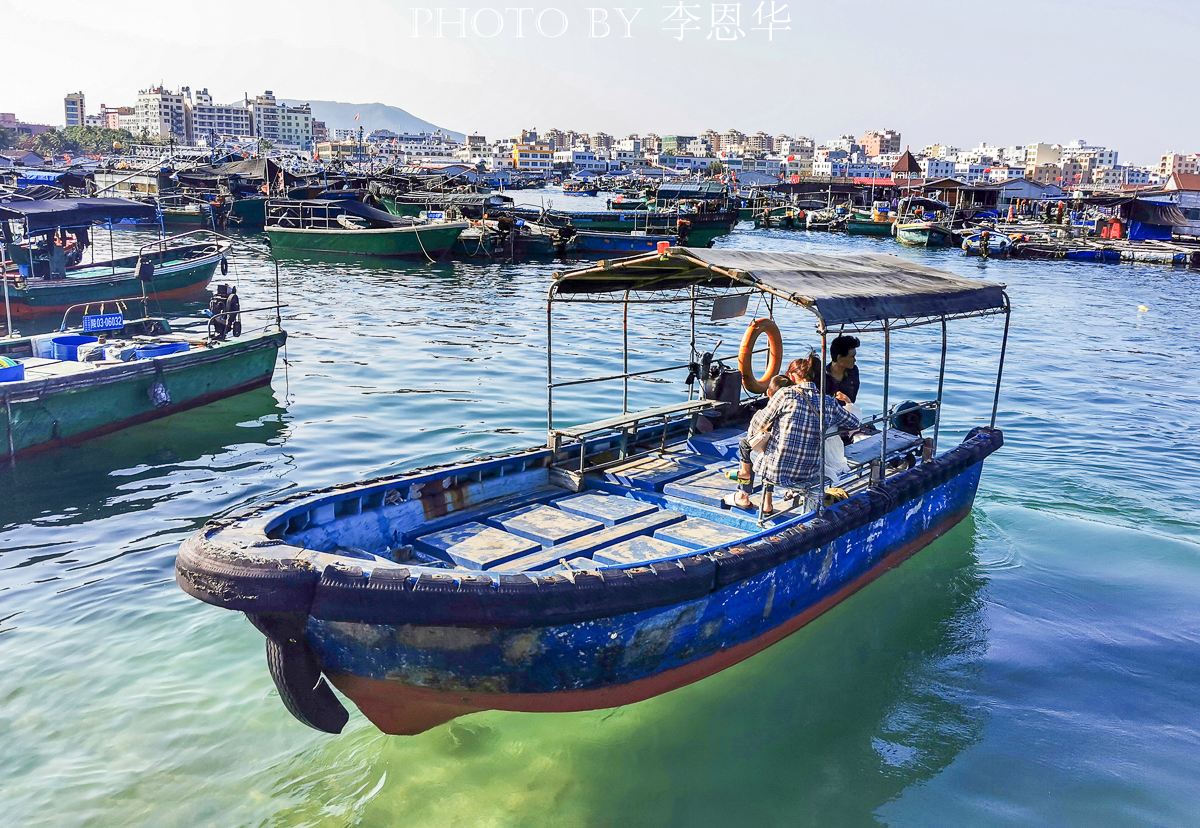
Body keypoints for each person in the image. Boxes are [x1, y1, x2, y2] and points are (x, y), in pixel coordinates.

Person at [727, 354, 860, 515]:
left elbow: (757, 425)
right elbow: (854, 423)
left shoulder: (784, 394)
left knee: (754, 448)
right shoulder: (828, 402)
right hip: (808, 473)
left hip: (776, 472)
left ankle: (746, 496)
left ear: (791, 376)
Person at [728, 374, 793, 490]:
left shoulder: (768, 412)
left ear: (769, 393)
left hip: (773, 456)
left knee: (745, 444)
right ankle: (767, 497)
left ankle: (744, 483)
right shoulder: (793, 413)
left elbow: (753, 432)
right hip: (791, 455)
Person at [824, 334, 860, 405]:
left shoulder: (853, 371)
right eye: (852, 357)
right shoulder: (822, 375)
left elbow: (852, 399)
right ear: (839, 358)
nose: (855, 360)